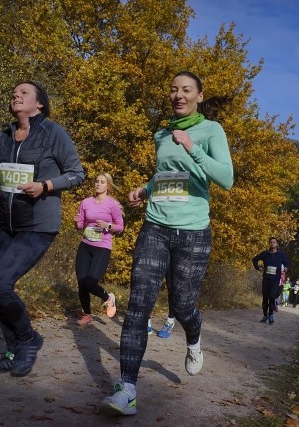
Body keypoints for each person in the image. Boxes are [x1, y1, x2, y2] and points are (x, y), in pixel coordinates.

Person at [100, 71, 234, 416]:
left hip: (193, 232)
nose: (178, 95)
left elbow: (226, 178)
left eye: (186, 90)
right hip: (156, 226)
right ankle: (127, 389)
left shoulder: (211, 131)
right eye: (173, 89)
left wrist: (192, 148)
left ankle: (193, 338)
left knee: (182, 303)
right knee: (139, 304)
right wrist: (145, 189)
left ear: (199, 96)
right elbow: (166, 174)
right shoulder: (161, 132)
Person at [0, 81, 85, 377]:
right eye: (14, 92)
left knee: (0, 285)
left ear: (40, 104)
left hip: (37, 226)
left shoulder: (53, 133)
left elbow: (77, 174)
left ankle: (29, 340)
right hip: (5, 224)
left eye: (24, 93)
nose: (16, 95)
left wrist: (45, 186)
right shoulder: (4, 136)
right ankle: (11, 352)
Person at [73, 172, 124, 325]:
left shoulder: (112, 204)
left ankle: (108, 298)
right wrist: (76, 222)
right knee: (81, 282)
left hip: (102, 247)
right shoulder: (86, 202)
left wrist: (107, 226)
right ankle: (87, 314)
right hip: (86, 244)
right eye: (96, 181)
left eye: (102, 182)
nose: (98, 184)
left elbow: (120, 227)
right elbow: (81, 225)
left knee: (90, 282)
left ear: (108, 186)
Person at [252, 237, 290, 325]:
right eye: (271, 242)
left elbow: (287, 263)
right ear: (269, 244)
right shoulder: (265, 254)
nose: (272, 243)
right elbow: (254, 259)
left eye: (274, 242)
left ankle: (271, 314)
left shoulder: (281, 255)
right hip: (266, 279)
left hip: (275, 280)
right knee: (265, 298)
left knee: (272, 296)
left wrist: (286, 268)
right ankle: (265, 315)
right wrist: (258, 267)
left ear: (277, 244)